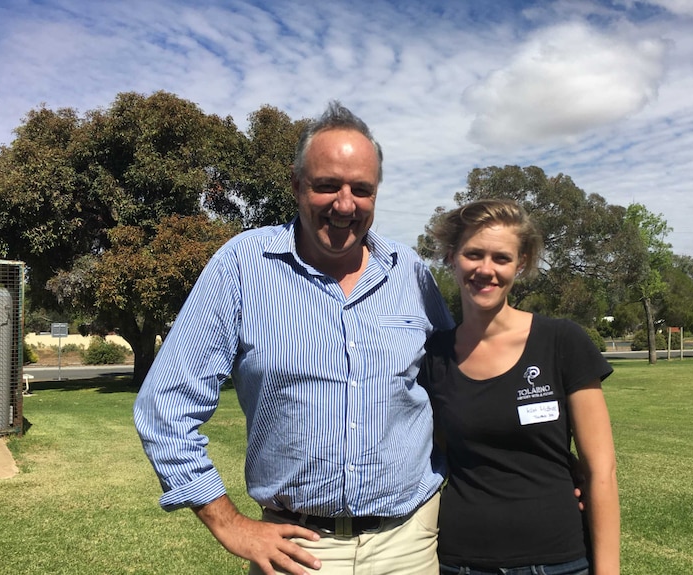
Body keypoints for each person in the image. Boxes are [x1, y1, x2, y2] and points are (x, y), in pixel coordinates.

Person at [134, 101, 454, 575]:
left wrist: (539, 469)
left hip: (407, 542)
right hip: (298, 549)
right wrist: (228, 523)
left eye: (361, 190)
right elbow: (165, 408)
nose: (345, 205)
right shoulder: (243, 266)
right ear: (296, 185)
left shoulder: (409, 272)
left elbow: (456, 389)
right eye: (327, 185)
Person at [420, 199, 620, 575]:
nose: (485, 269)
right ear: (451, 257)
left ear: (521, 263)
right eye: (473, 254)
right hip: (459, 561)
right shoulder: (434, 356)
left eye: (501, 258)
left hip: (557, 560)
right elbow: (431, 456)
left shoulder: (562, 342)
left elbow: (602, 472)